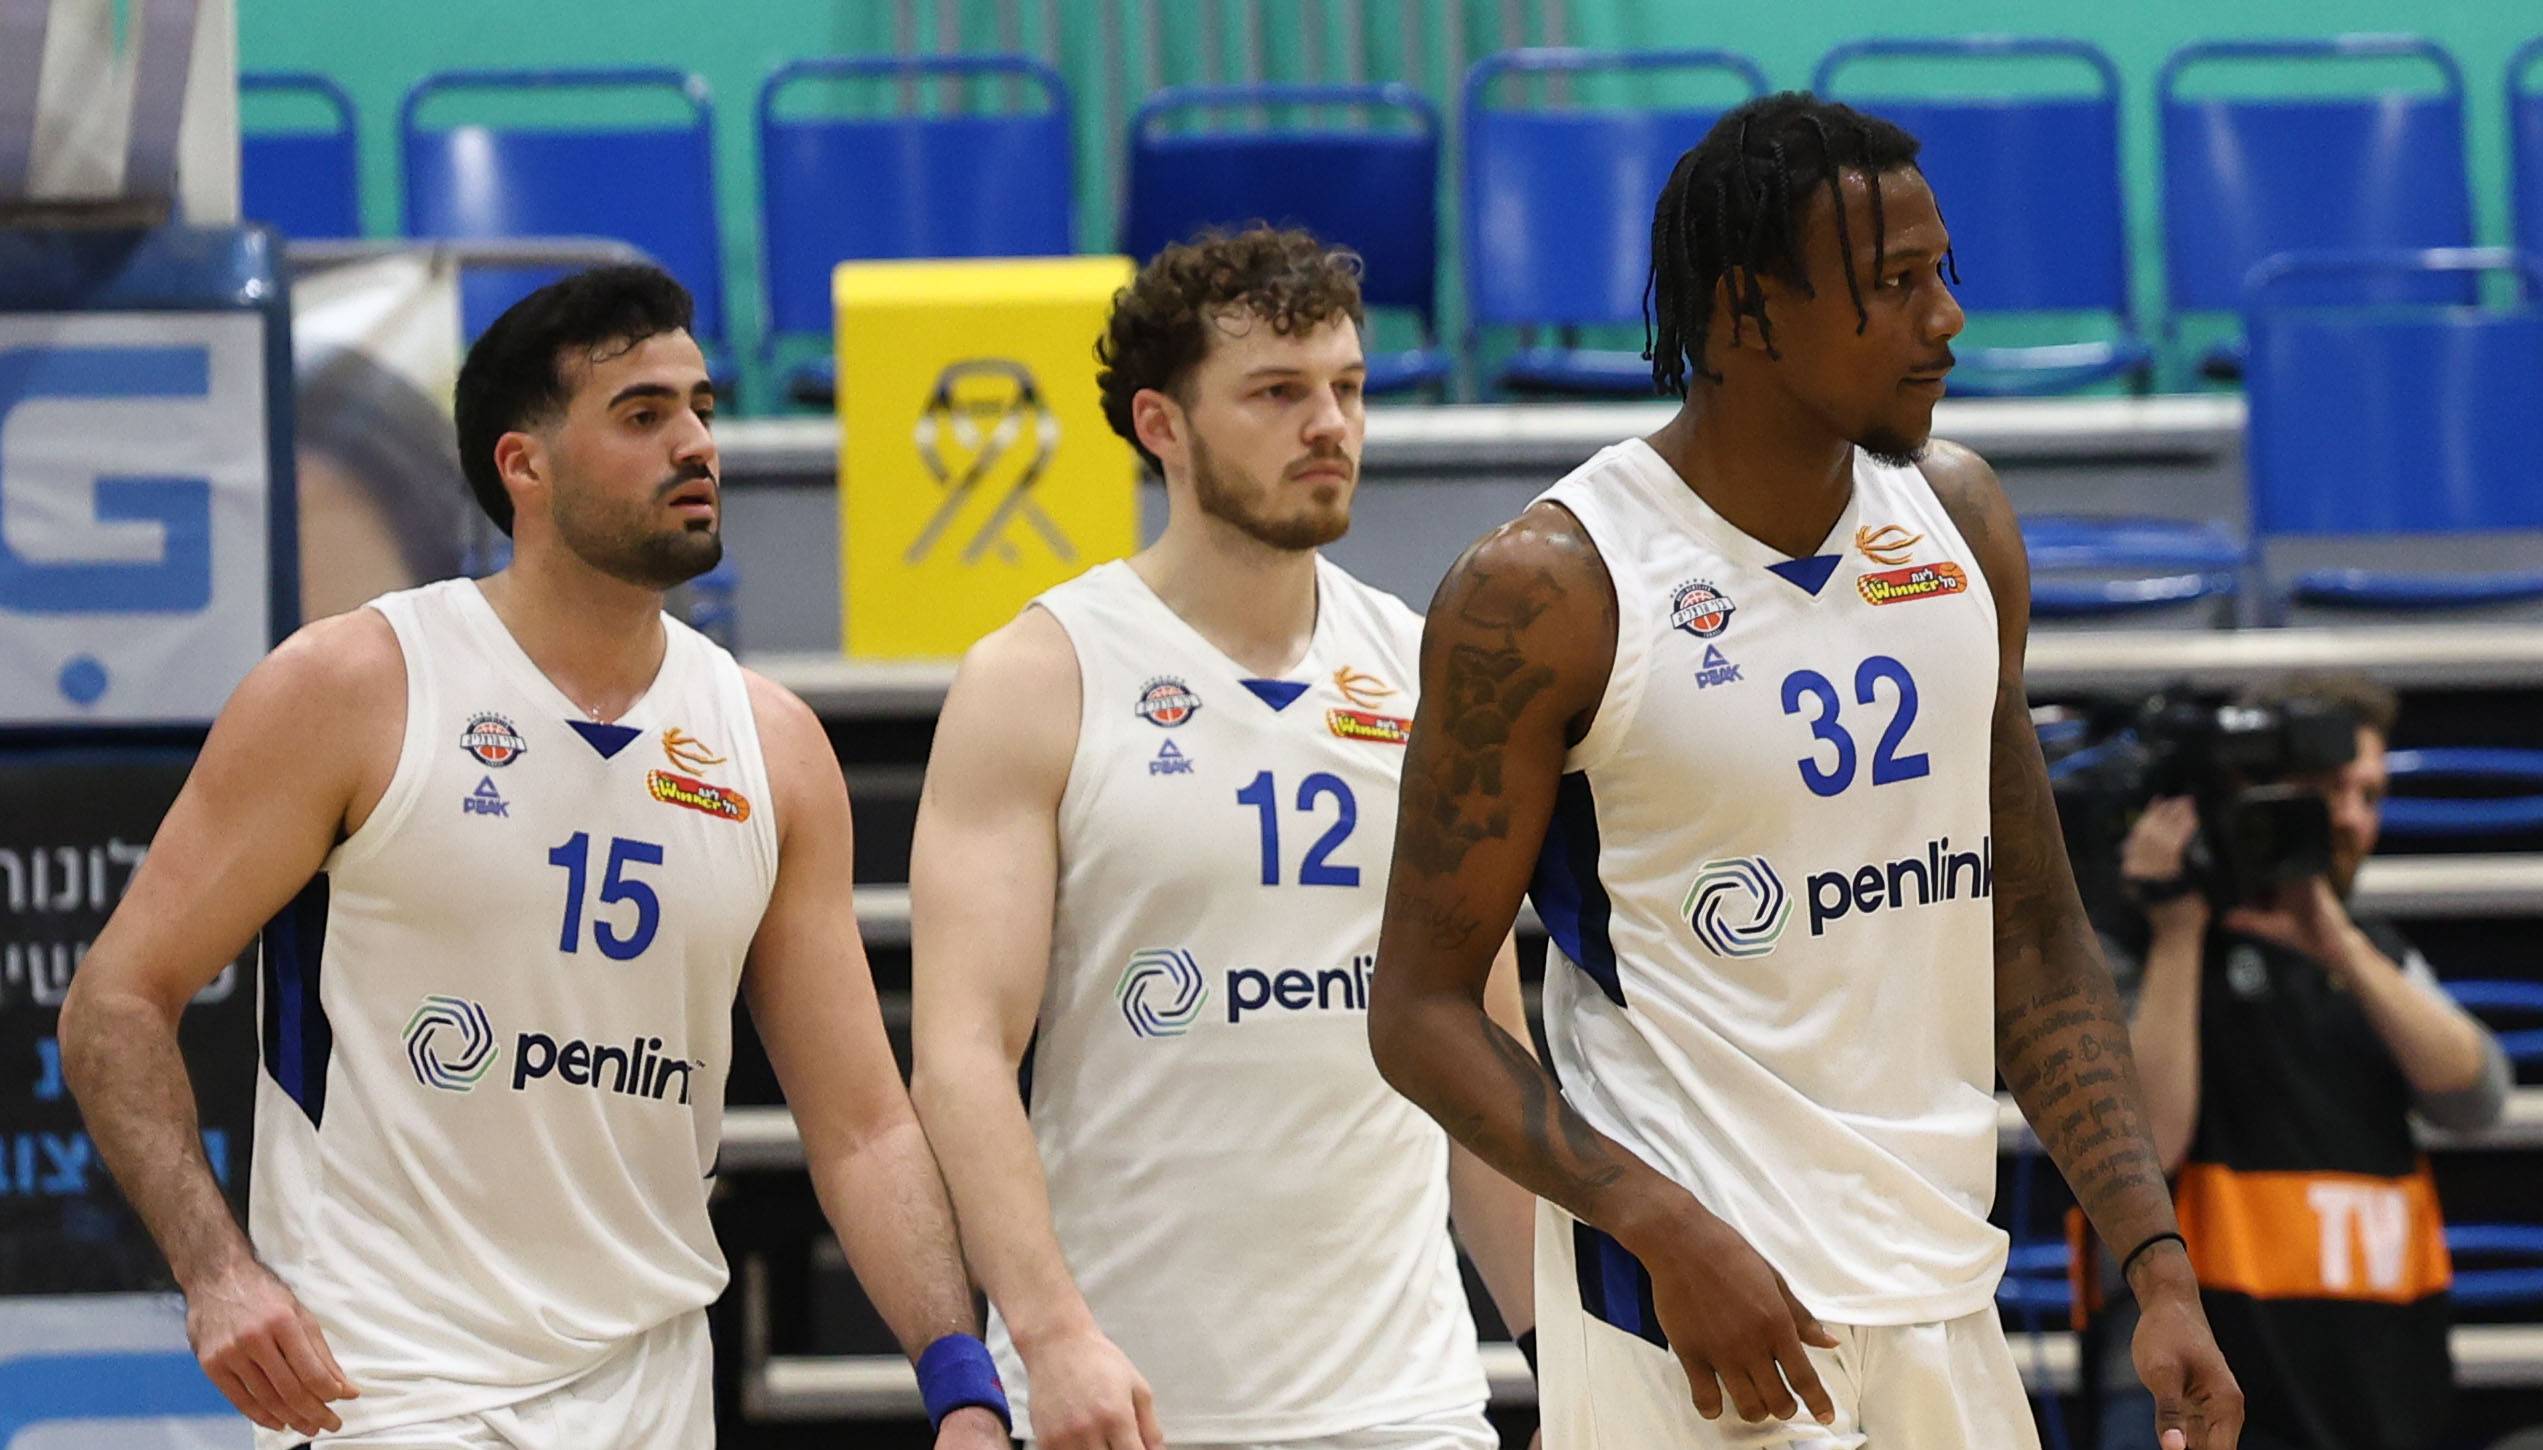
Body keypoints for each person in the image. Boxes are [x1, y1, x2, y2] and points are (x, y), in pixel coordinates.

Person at [1365, 92, 2246, 1449]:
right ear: (1743, 311)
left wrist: (2154, 1258)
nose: (1944, 317)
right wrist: (1655, 1222)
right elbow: (1418, 1010)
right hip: (1695, 1315)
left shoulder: (1958, 523)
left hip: (1940, 1286)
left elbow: (2027, 926)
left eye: (1940, 272)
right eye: (1891, 284)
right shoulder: (1547, 589)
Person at [59, 266, 1009, 1449]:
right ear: (525, 466)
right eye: (642, 414)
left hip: (651, 1395)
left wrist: (961, 1382)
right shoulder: (356, 685)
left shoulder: (773, 747)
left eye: (702, 408)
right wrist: (215, 1272)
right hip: (387, 1386)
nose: (695, 444)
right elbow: (116, 1000)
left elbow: (863, 1125)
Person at [908, 226, 1540, 1450]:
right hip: (1127, 1398)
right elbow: (962, 1056)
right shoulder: (1038, 675)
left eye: (1346, 388)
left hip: (1405, 1404)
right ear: (1161, 424)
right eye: (1276, 393)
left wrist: (1567, 1361)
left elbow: (1478, 1050)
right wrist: (1049, 1335)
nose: (1328, 425)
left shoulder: (1428, 670)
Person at [2099, 672, 2510, 1450]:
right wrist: (2179, 933)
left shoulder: (2370, 955)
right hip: (2203, 1396)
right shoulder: (2143, 944)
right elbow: (2143, 1148)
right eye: (2328, 791)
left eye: (2370, 795)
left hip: (2379, 1393)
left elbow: (2477, 1097)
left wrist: (2337, 946)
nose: (2352, 819)